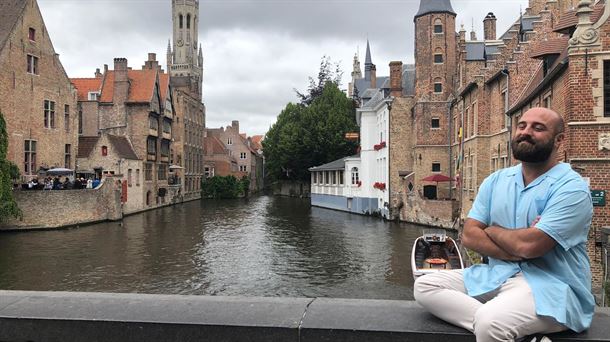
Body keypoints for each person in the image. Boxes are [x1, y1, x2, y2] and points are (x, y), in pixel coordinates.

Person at [414, 107, 594, 341]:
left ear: (559, 140)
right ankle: (521, 334)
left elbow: (530, 247)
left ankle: (495, 323)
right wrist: (516, 246)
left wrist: (490, 230)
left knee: (492, 322)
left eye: (538, 128)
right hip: (498, 274)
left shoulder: (571, 188)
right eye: (522, 126)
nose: (526, 132)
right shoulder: (497, 180)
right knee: (426, 286)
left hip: (552, 287)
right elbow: (469, 235)